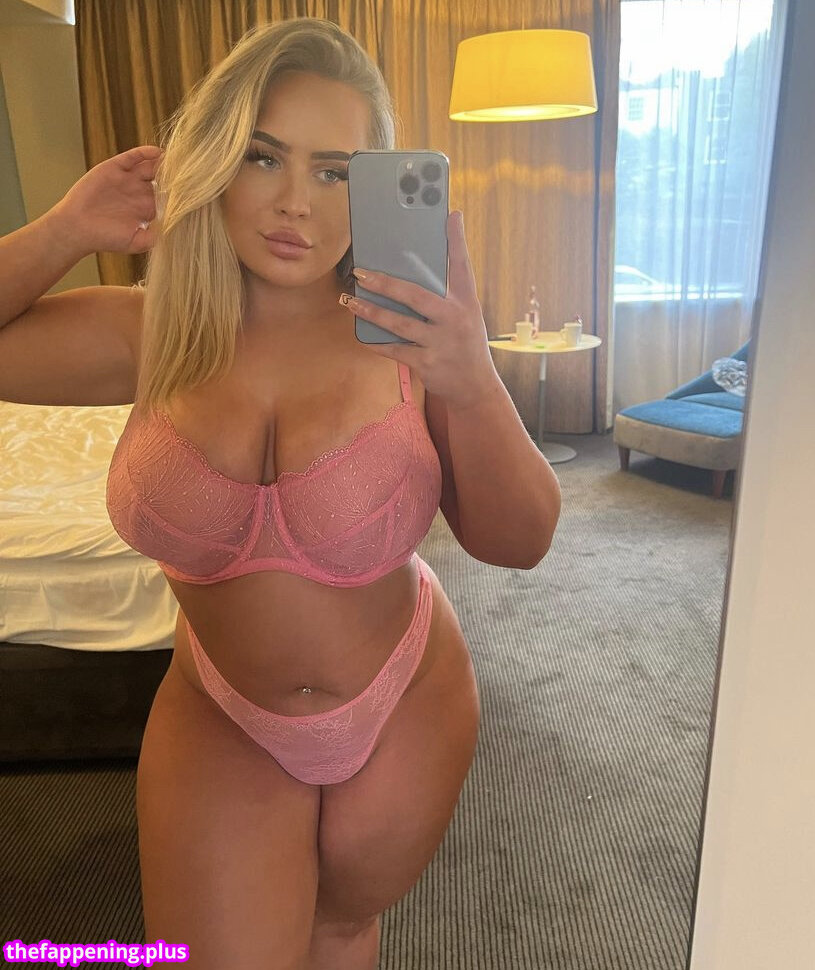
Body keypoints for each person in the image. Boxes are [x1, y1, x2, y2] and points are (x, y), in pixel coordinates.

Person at [0, 17, 561, 969]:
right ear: (216, 161)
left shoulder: (413, 345)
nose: (296, 202)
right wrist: (64, 230)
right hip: (222, 711)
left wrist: (470, 376)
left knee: (338, 932)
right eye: (263, 157)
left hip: (405, 696)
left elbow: (519, 542)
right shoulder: (150, 335)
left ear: (374, 187)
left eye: (335, 171)